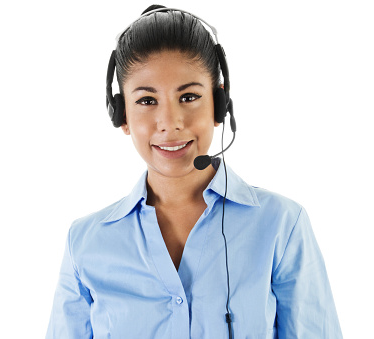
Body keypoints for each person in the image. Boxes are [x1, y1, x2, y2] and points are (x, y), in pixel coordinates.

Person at [46, 5, 342, 338]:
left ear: (219, 104)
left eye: (188, 96)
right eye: (146, 100)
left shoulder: (282, 226)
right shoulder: (86, 242)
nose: (170, 123)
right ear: (121, 115)